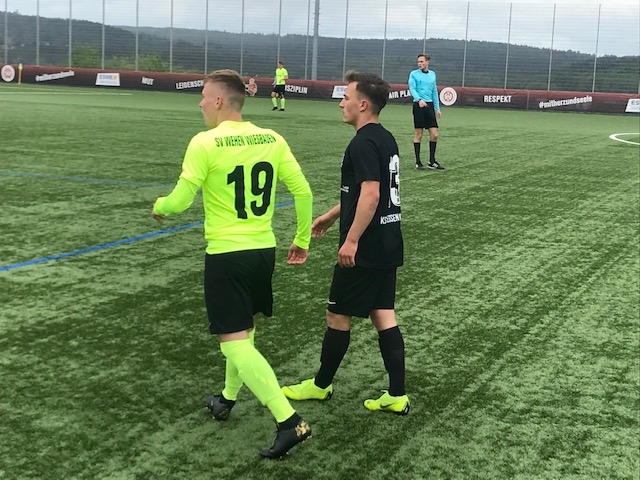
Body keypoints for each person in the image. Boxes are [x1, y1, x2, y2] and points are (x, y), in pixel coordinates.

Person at [152, 69, 313, 459]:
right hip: (263, 252)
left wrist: (159, 206)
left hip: (227, 254)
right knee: (243, 331)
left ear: (220, 100)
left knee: (234, 343)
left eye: (204, 96)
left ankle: (290, 421)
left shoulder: (204, 142)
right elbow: (303, 191)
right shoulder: (272, 138)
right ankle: (226, 398)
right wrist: (302, 239)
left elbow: (180, 200)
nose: (200, 103)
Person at [282, 71, 409, 415]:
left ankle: (321, 385)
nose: (341, 103)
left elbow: (371, 194)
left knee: (337, 314)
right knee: (383, 314)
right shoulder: (385, 138)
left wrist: (351, 239)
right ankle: (397, 395)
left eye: (347, 97)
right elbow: (363, 192)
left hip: (366, 246)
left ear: (363, 105)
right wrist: (331, 215)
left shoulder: (362, 143)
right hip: (388, 241)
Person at [408, 53, 444, 170]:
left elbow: (434, 92)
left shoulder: (432, 74)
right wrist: (419, 99)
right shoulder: (413, 74)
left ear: (427, 62)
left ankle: (432, 161)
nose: (419, 64)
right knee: (419, 134)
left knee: (434, 134)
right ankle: (418, 162)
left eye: (422, 61)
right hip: (418, 105)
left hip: (429, 105)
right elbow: (412, 88)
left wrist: (437, 108)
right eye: (418, 61)